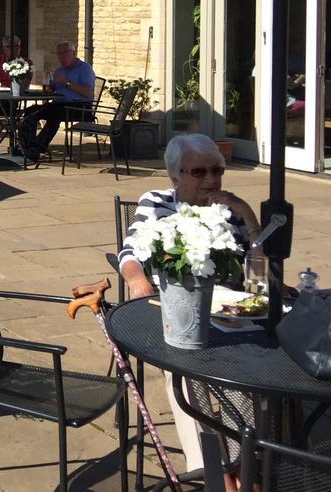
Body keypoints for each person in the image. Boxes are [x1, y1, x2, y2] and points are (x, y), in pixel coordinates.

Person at [118, 134, 259, 491]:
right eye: (199, 171)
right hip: (173, 310)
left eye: (217, 170)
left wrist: (245, 211)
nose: (211, 179)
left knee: (246, 374)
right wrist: (136, 281)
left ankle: (243, 465)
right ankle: (211, 471)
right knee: (184, 374)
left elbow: (262, 267)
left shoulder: (229, 209)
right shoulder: (157, 202)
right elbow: (130, 253)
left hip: (229, 311)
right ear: (175, 175)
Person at [18, 40, 94, 161]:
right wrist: (49, 85)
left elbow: (88, 93)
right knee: (30, 112)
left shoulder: (84, 68)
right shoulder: (59, 70)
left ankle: (35, 148)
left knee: (54, 115)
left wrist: (66, 83)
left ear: (73, 52)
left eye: (65, 52)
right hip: (58, 105)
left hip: (80, 107)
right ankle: (27, 147)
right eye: (59, 53)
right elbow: (51, 91)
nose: (62, 56)